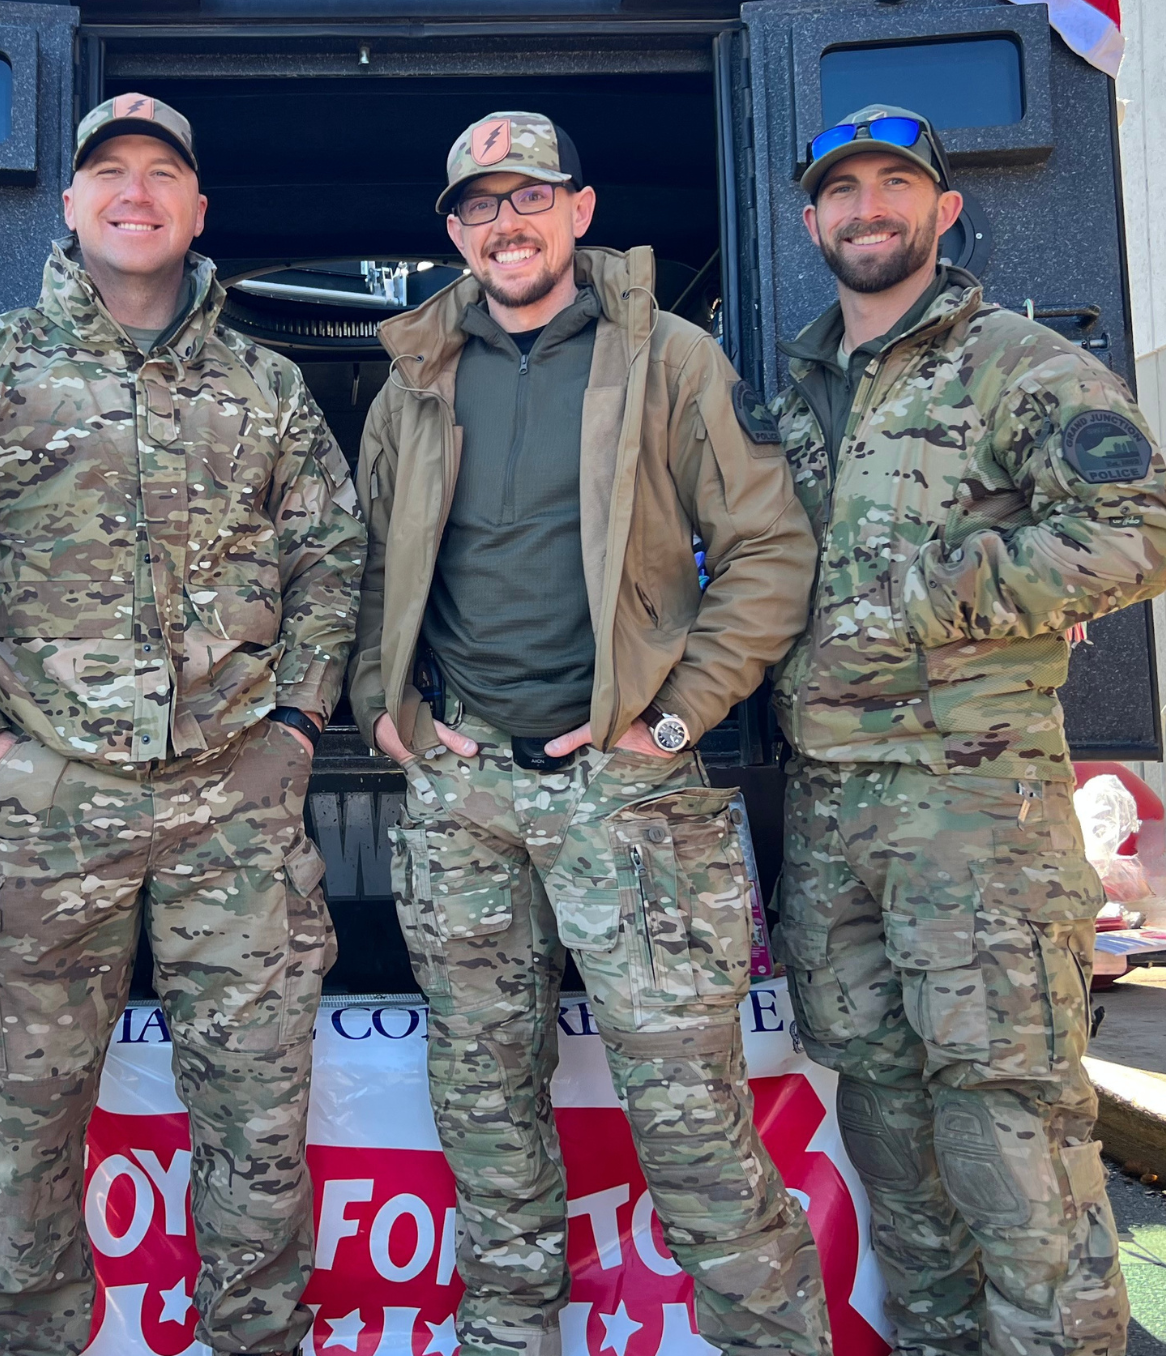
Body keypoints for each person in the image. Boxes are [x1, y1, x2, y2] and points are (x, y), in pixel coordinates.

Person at [350, 111, 828, 1356]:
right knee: (483, 1115)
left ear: (578, 209)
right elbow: (357, 568)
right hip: (463, 802)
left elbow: (770, 551)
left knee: (689, 1120)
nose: (502, 225)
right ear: (451, 232)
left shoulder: (664, 358)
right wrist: (388, 710)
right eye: (476, 207)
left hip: (625, 796)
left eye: (527, 199)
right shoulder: (413, 377)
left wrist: (671, 719)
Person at [0, 93, 365, 1356]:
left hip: (235, 806)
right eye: (109, 170)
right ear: (69, 205)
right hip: (51, 810)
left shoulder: (264, 386)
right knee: (28, 1125)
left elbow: (333, 552)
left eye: (162, 172)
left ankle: (256, 1339)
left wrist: (295, 718)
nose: (136, 191)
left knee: (259, 1124)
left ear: (197, 210)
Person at [770, 104, 1166, 1356]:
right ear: (809, 221)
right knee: (887, 1125)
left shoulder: (1015, 362)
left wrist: (912, 601)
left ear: (944, 209)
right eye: (841, 191)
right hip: (833, 808)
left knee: (1012, 1135)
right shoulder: (796, 388)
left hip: (975, 811)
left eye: (895, 183)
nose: (867, 209)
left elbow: (1137, 535)